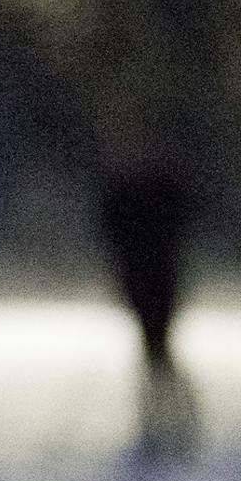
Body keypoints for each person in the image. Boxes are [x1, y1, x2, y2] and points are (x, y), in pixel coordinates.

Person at [95, 156, 198, 461]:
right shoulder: (140, 193)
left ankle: (168, 421)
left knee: (158, 352)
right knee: (156, 352)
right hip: (147, 283)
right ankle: (163, 422)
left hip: (156, 283)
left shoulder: (152, 193)